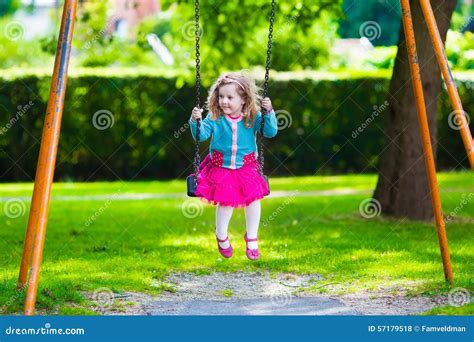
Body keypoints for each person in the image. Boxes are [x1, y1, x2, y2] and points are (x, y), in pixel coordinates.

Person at [189, 71, 278, 260]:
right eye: (221, 96)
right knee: (226, 202)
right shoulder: (215, 118)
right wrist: (195, 120)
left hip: (247, 169)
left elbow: (270, 131)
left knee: (254, 200)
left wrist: (269, 112)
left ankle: (252, 238)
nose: (224, 101)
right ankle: (221, 236)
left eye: (230, 97)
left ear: (244, 99)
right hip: (221, 169)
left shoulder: (253, 118)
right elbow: (200, 135)